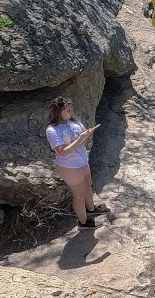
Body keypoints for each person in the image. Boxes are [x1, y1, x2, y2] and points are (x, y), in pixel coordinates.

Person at [45, 97, 108, 230]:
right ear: (58, 112)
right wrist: (80, 139)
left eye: (72, 110)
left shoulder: (73, 122)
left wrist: (86, 134)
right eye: (68, 111)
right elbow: (62, 152)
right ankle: (83, 222)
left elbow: (82, 135)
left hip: (82, 162)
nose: (72, 113)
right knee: (78, 194)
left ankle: (91, 209)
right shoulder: (53, 130)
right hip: (69, 167)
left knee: (88, 187)